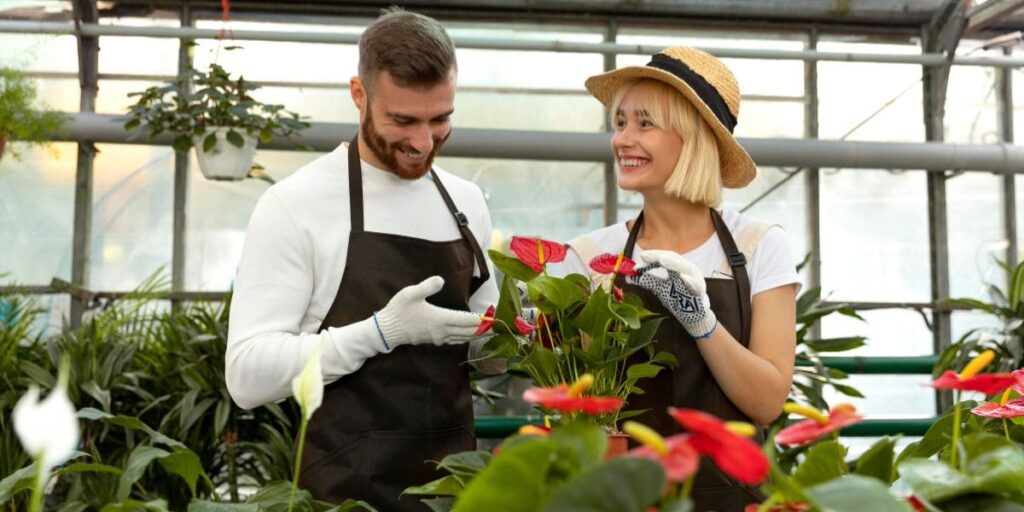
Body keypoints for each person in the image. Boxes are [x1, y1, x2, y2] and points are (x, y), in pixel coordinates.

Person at [225, 8, 498, 510]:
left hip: (453, 495)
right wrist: (380, 332)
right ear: (359, 94)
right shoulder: (296, 205)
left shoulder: (466, 203)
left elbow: (484, 347)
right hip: (344, 496)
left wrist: (518, 336)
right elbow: (246, 377)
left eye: (441, 119)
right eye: (403, 120)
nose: (423, 142)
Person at [559, 47, 800, 511]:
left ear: (693, 139)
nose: (622, 140)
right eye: (621, 122)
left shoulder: (758, 246)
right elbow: (580, 397)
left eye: (644, 124)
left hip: (734, 499)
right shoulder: (591, 257)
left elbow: (767, 402)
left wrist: (703, 324)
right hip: (625, 498)